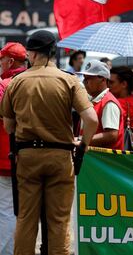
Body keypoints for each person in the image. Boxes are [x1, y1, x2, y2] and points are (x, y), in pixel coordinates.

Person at [0, 30, 98, 255]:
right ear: (53, 53)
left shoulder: (16, 82)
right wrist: (82, 145)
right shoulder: (69, 79)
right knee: (59, 221)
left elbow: (8, 126)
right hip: (60, 156)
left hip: (27, 157)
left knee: (26, 218)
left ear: (31, 54)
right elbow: (91, 119)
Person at [0, 42, 26, 255]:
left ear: (9, 61)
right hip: (35, 155)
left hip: (6, 156)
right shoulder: (36, 81)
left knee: (7, 210)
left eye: (1, 60)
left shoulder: (4, 85)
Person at [78, 60, 125, 150]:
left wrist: (82, 140)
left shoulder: (109, 103)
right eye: (84, 78)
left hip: (105, 161)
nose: (85, 82)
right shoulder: (93, 100)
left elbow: (111, 135)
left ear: (103, 79)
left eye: (89, 78)